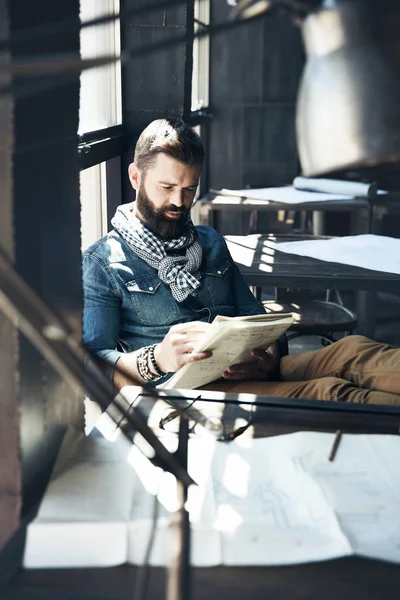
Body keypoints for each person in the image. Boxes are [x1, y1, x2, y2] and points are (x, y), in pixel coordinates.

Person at [82, 118, 400, 404]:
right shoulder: (102, 263)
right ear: (136, 177)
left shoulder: (208, 241)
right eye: (166, 188)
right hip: (189, 394)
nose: (179, 201)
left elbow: (256, 318)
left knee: (353, 350)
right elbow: (92, 368)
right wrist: (157, 359)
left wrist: (267, 357)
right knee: (330, 393)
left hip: (243, 374)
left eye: (189, 189)